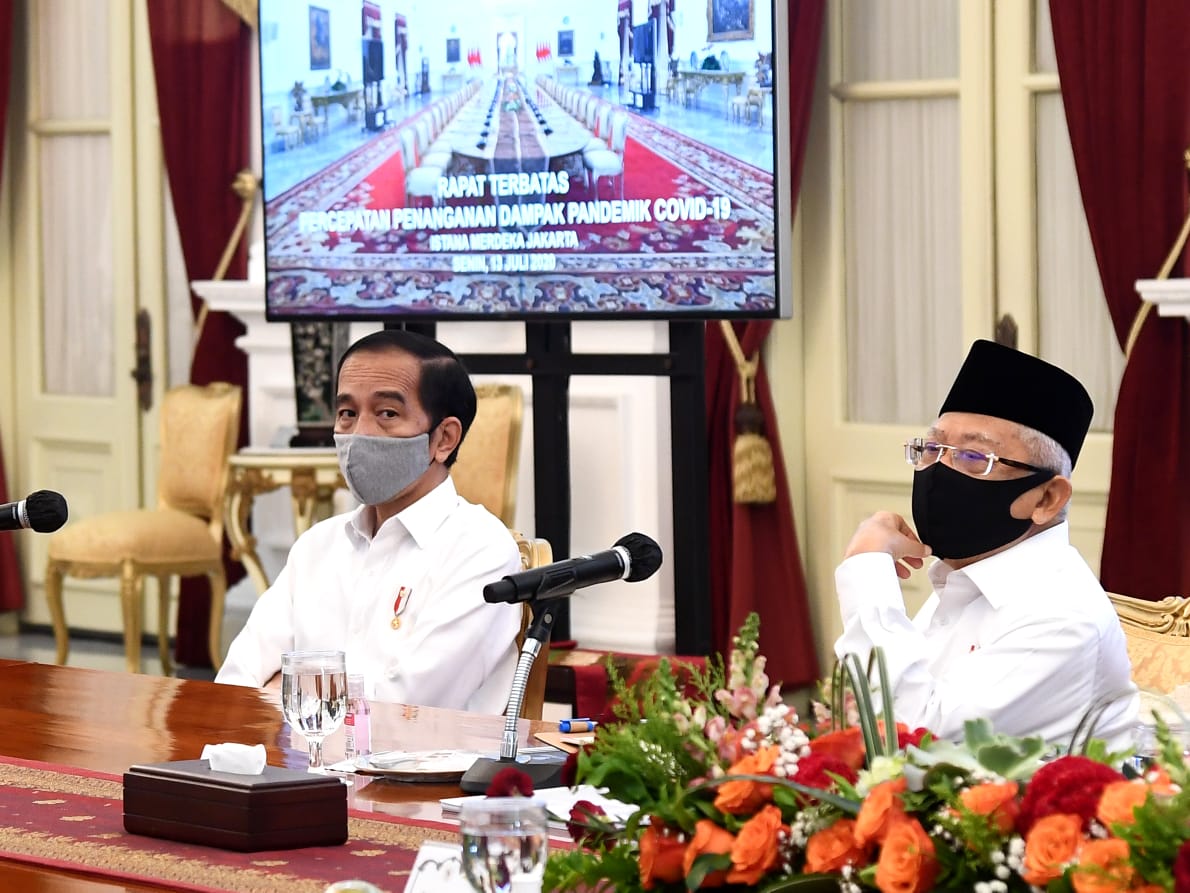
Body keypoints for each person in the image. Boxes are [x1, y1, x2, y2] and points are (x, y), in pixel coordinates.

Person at [834, 339, 1138, 750]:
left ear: (1047, 498)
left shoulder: (1062, 616)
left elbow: (909, 743)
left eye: (974, 458)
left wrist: (866, 571)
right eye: (932, 448)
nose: (939, 471)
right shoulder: (969, 576)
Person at [215, 330, 523, 714]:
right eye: (347, 413)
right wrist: (319, 700)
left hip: (428, 773)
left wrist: (289, 690)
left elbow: (405, 709)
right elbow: (236, 684)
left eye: (387, 414)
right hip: (295, 769)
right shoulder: (318, 544)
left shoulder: (480, 550)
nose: (359, 433)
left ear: (444, 438)